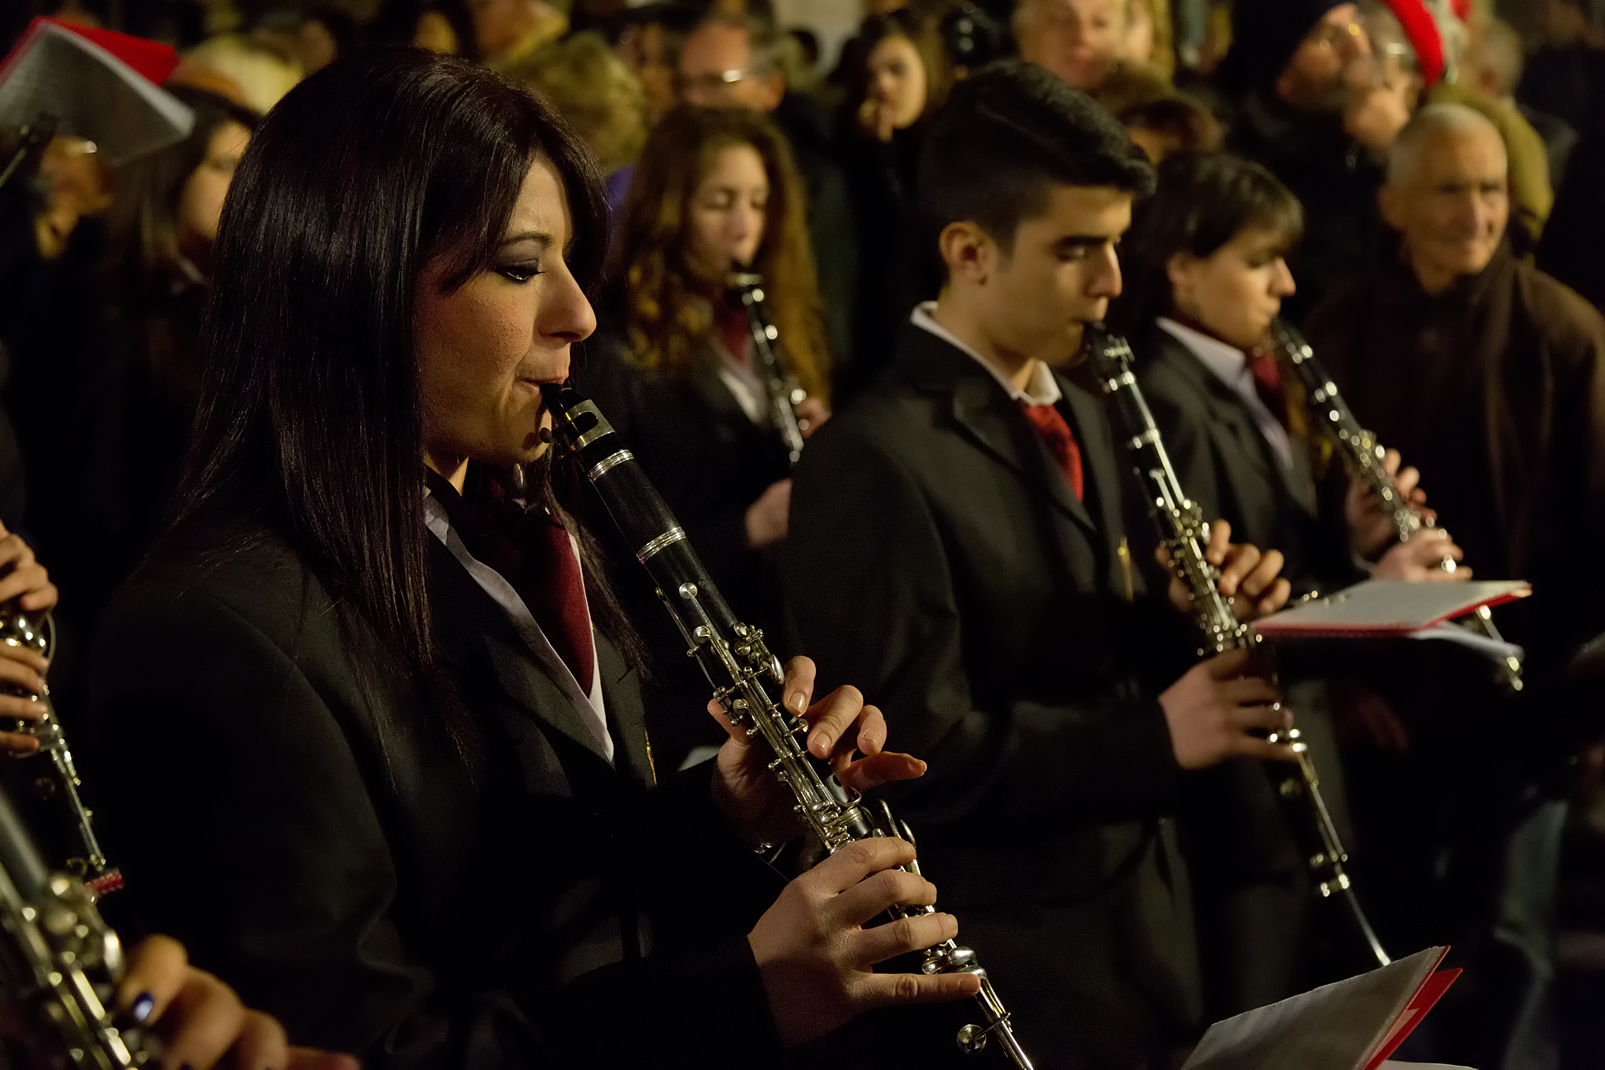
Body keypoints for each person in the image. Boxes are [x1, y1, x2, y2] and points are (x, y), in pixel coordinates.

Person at [82, 49, 976, 1070]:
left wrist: (723, 816)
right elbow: (364, 1042)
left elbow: (527, 890)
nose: (579, 314)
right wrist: (745, 996)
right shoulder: (212, 633)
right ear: (355, 281)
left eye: (567, 262)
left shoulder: (517, 520)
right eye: (519, 267)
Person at [786, 62, 1299, 1068]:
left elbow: (1075, 641)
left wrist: (1189, 615)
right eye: (1079, 250)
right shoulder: (871, 457)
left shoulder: (1091, 402)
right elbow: (915, 762)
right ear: (970, 251)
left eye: (1115, 245)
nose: (1113, 282)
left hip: (1146, 929)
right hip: (1020, 968)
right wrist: (1156, 732)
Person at [1111, 150, 1470, 1016]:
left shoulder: (1232, 382)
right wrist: (1378, 590)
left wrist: (1352, 545)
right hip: (1242, 791)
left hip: (1287, 766)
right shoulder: (1167, 394)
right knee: (1256, 1015)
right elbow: (1220, 609)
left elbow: (1278, 559)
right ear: (1184, 268)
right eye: (1257, 260)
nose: (1282, 284)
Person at [1307, 103, 1605, 1070]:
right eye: (1450, 189)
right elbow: (1297, 524)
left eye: (1490, 188)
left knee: (1515, 947)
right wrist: (1339, 682)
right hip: (1385, 716)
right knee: (1393, 952)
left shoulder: (1566, 332)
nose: (1476, 212)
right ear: (1392, 203)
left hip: (1533, 707)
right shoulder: (1337, 332)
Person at [581, 105, 828, 765]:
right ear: (671, 208)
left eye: (757, 201)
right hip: (681, 670)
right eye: (720, 202)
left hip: (773, 634)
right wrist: (747, 525)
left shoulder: (765, 316)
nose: (745, 225)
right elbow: (602, 546)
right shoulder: (614, 345)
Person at [677, 10, 858, 369]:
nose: (693, 101)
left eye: (715, 82)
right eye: (684, 84)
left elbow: (826, 320)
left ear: (770, 90)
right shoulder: (664, 170)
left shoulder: (815, 184)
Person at [834, 7, 952, 394]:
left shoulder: (949, 153)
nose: (882, 85)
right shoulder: (852, 154)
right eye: (872, 74)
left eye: (897, 70)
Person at [1013, 0, 1173, 115]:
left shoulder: (1153, 120)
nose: (1082, 37)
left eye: (1100, 23)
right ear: (1026, 34)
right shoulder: (999, 117)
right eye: (1062, 20)